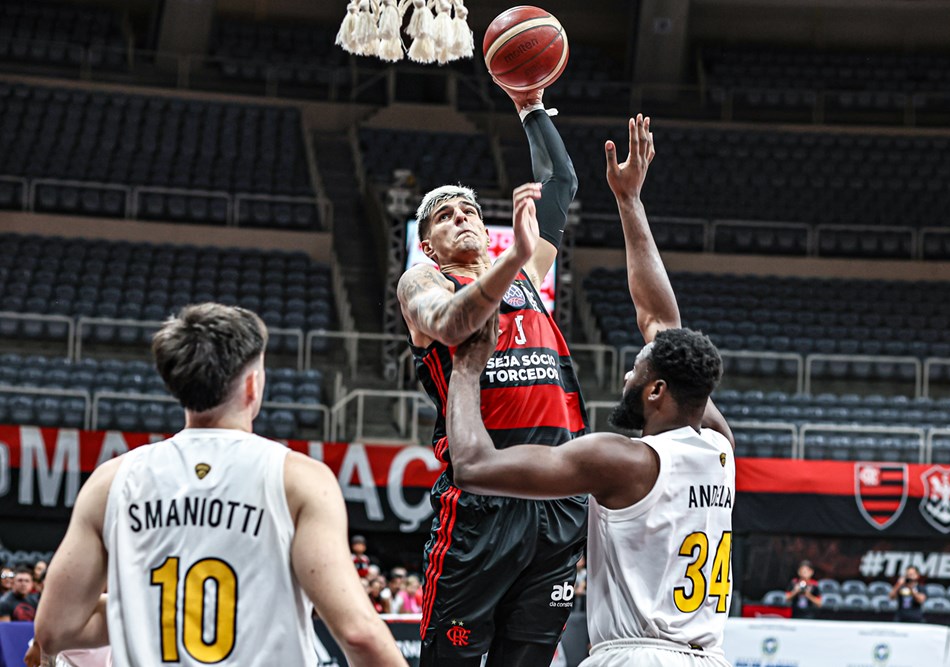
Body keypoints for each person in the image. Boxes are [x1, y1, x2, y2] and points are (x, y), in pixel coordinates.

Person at [445, 114, 735, 667]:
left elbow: (474, 468)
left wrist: (465, 370)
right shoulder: (721, 450)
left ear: (656, 393)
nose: (628, 375)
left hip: (638, 657)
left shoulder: (618, 460)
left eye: (636, 371)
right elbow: (659, 322)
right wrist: (629, 201)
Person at [33, 303, 406, 666]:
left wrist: (144, 604)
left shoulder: (111, 480)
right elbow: (358, 634)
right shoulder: (299, 479)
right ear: (251, 384)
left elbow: (55, 631)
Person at [397, 84, 588, 665]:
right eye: (445, 219)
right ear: (429, 245)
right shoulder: (424, 283)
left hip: (558, 499)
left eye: (470, 212)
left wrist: (530, 105)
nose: (462, 220)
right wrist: (509, 258)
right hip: (484, 496)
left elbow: (562, 183)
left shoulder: (526, 270)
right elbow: (454, 326)